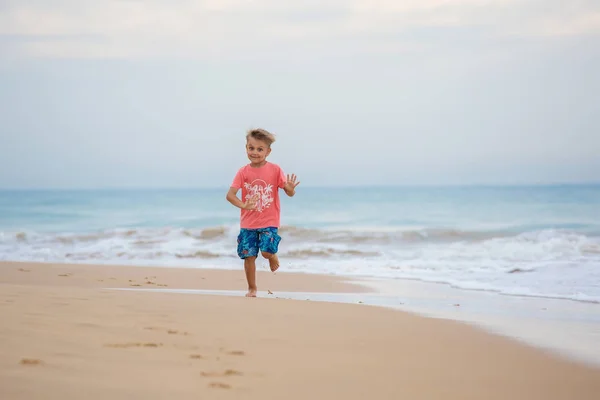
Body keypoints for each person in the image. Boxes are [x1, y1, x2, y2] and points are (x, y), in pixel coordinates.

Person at [226, 128, 300, 297]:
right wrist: (244, 205)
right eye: (251, 148)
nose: (255, 152)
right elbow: (230, 195)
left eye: (260, 149)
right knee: (248, 256)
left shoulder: (275, 170)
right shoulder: (243, 172)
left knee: (266, 252)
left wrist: (289, 189)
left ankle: (272, 255)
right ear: (246, 148)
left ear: (268, 151)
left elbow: (288, 192)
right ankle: (252, 288)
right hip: (248, 223)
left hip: (269, 220)